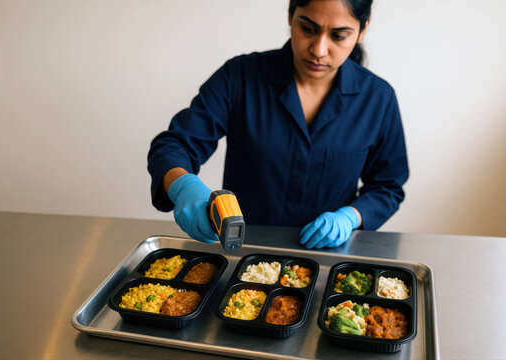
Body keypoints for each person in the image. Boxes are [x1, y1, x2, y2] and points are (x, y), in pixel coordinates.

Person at [147, 0, 409, 249]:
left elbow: (387, 186)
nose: (319, 50)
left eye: (339, 36)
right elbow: (175, 144)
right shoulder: (240, 77)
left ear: (362, 30)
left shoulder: (378, 98)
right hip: (242, 252)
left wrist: (352, 216)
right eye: (308, 28)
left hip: (330, 261)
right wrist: (183, 186)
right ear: (290, 15)